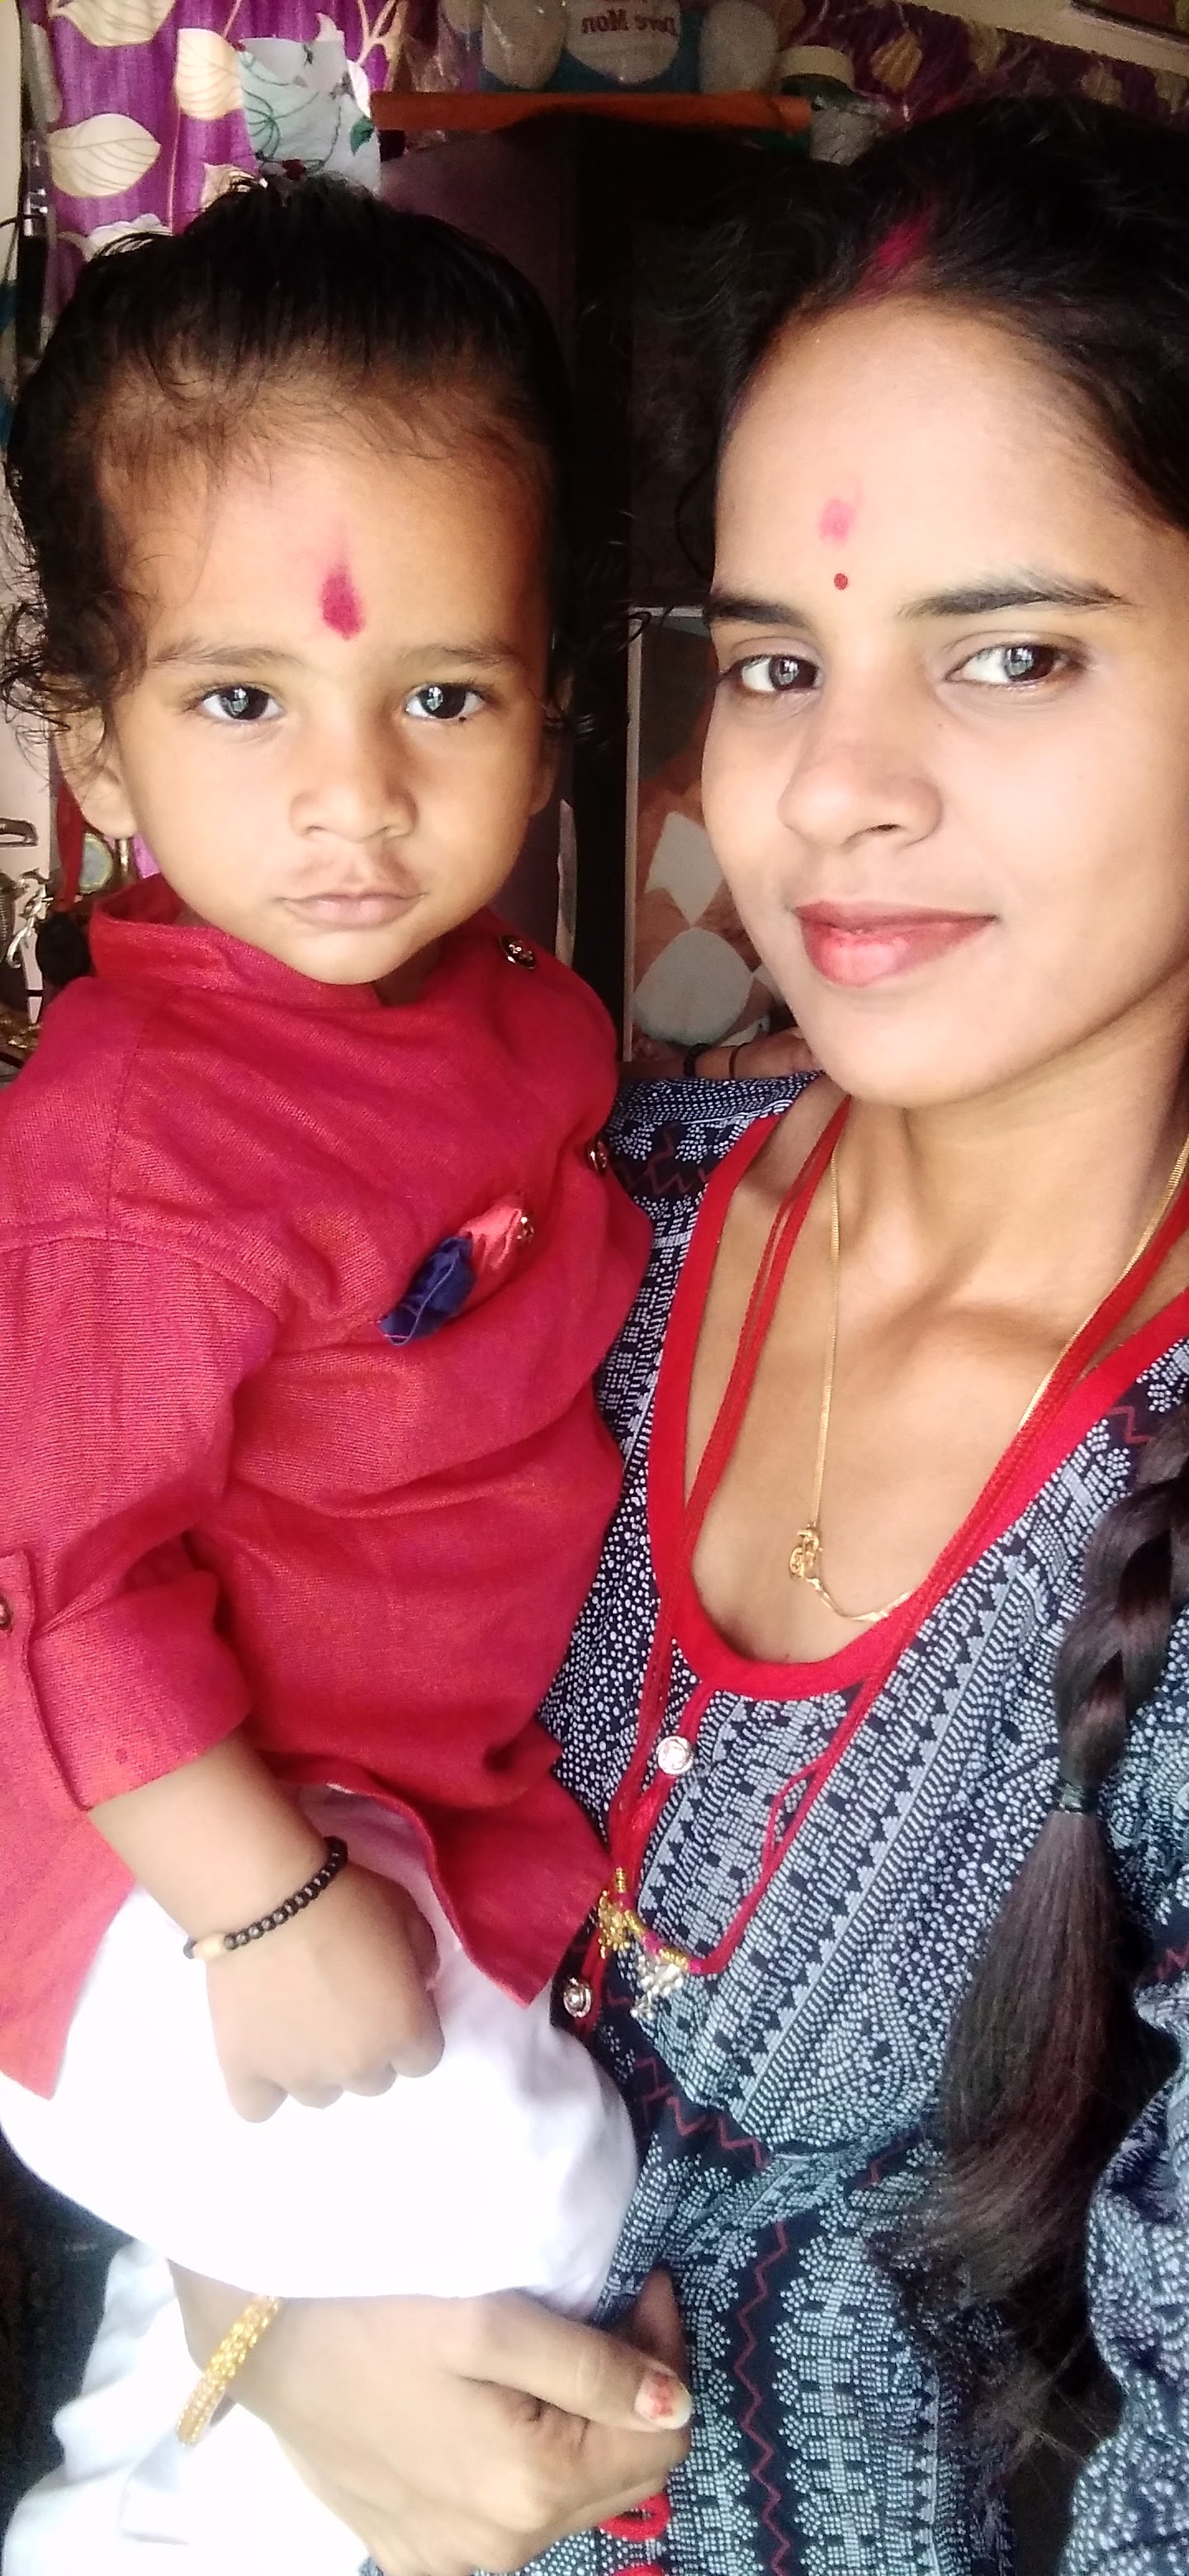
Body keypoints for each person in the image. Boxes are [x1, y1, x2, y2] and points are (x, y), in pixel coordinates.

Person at [12, 90, 1189, 2576]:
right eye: (775, 658)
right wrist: (255, 2318)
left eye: (1009, 652)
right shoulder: (573, 1198)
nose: (838, 789)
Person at [0, 176, 696, 2572]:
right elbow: (66, 1579)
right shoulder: (141, 1144)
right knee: (536, 2195)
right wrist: (260, 1912)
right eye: (242, 699)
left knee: (392, 2232)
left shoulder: (510, 1020)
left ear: (549, 703)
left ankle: (138, 2483)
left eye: (442, 696)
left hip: (374, 1810)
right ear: (96, 741)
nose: (354, 795)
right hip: (161, 1860)